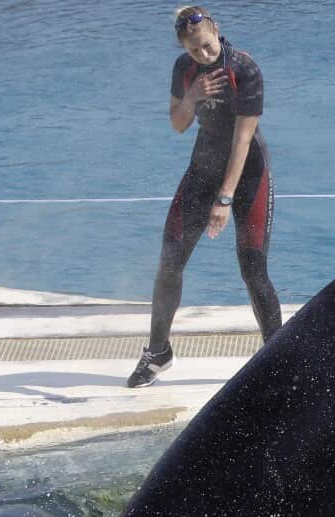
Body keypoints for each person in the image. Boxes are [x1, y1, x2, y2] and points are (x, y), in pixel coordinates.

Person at [128, 5, 282, 388]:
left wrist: (225, 200)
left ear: (216, 31)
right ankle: (158, 352)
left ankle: (278, 356)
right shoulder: (184, 69)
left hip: (247, 173)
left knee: (252, 267)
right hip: (202, 167)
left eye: (207, 46)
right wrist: (192, 95)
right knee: (170, 258)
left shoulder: (244, 68)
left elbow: (243, 138)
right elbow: (178, 124)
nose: (203, 55)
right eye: (195, 50)